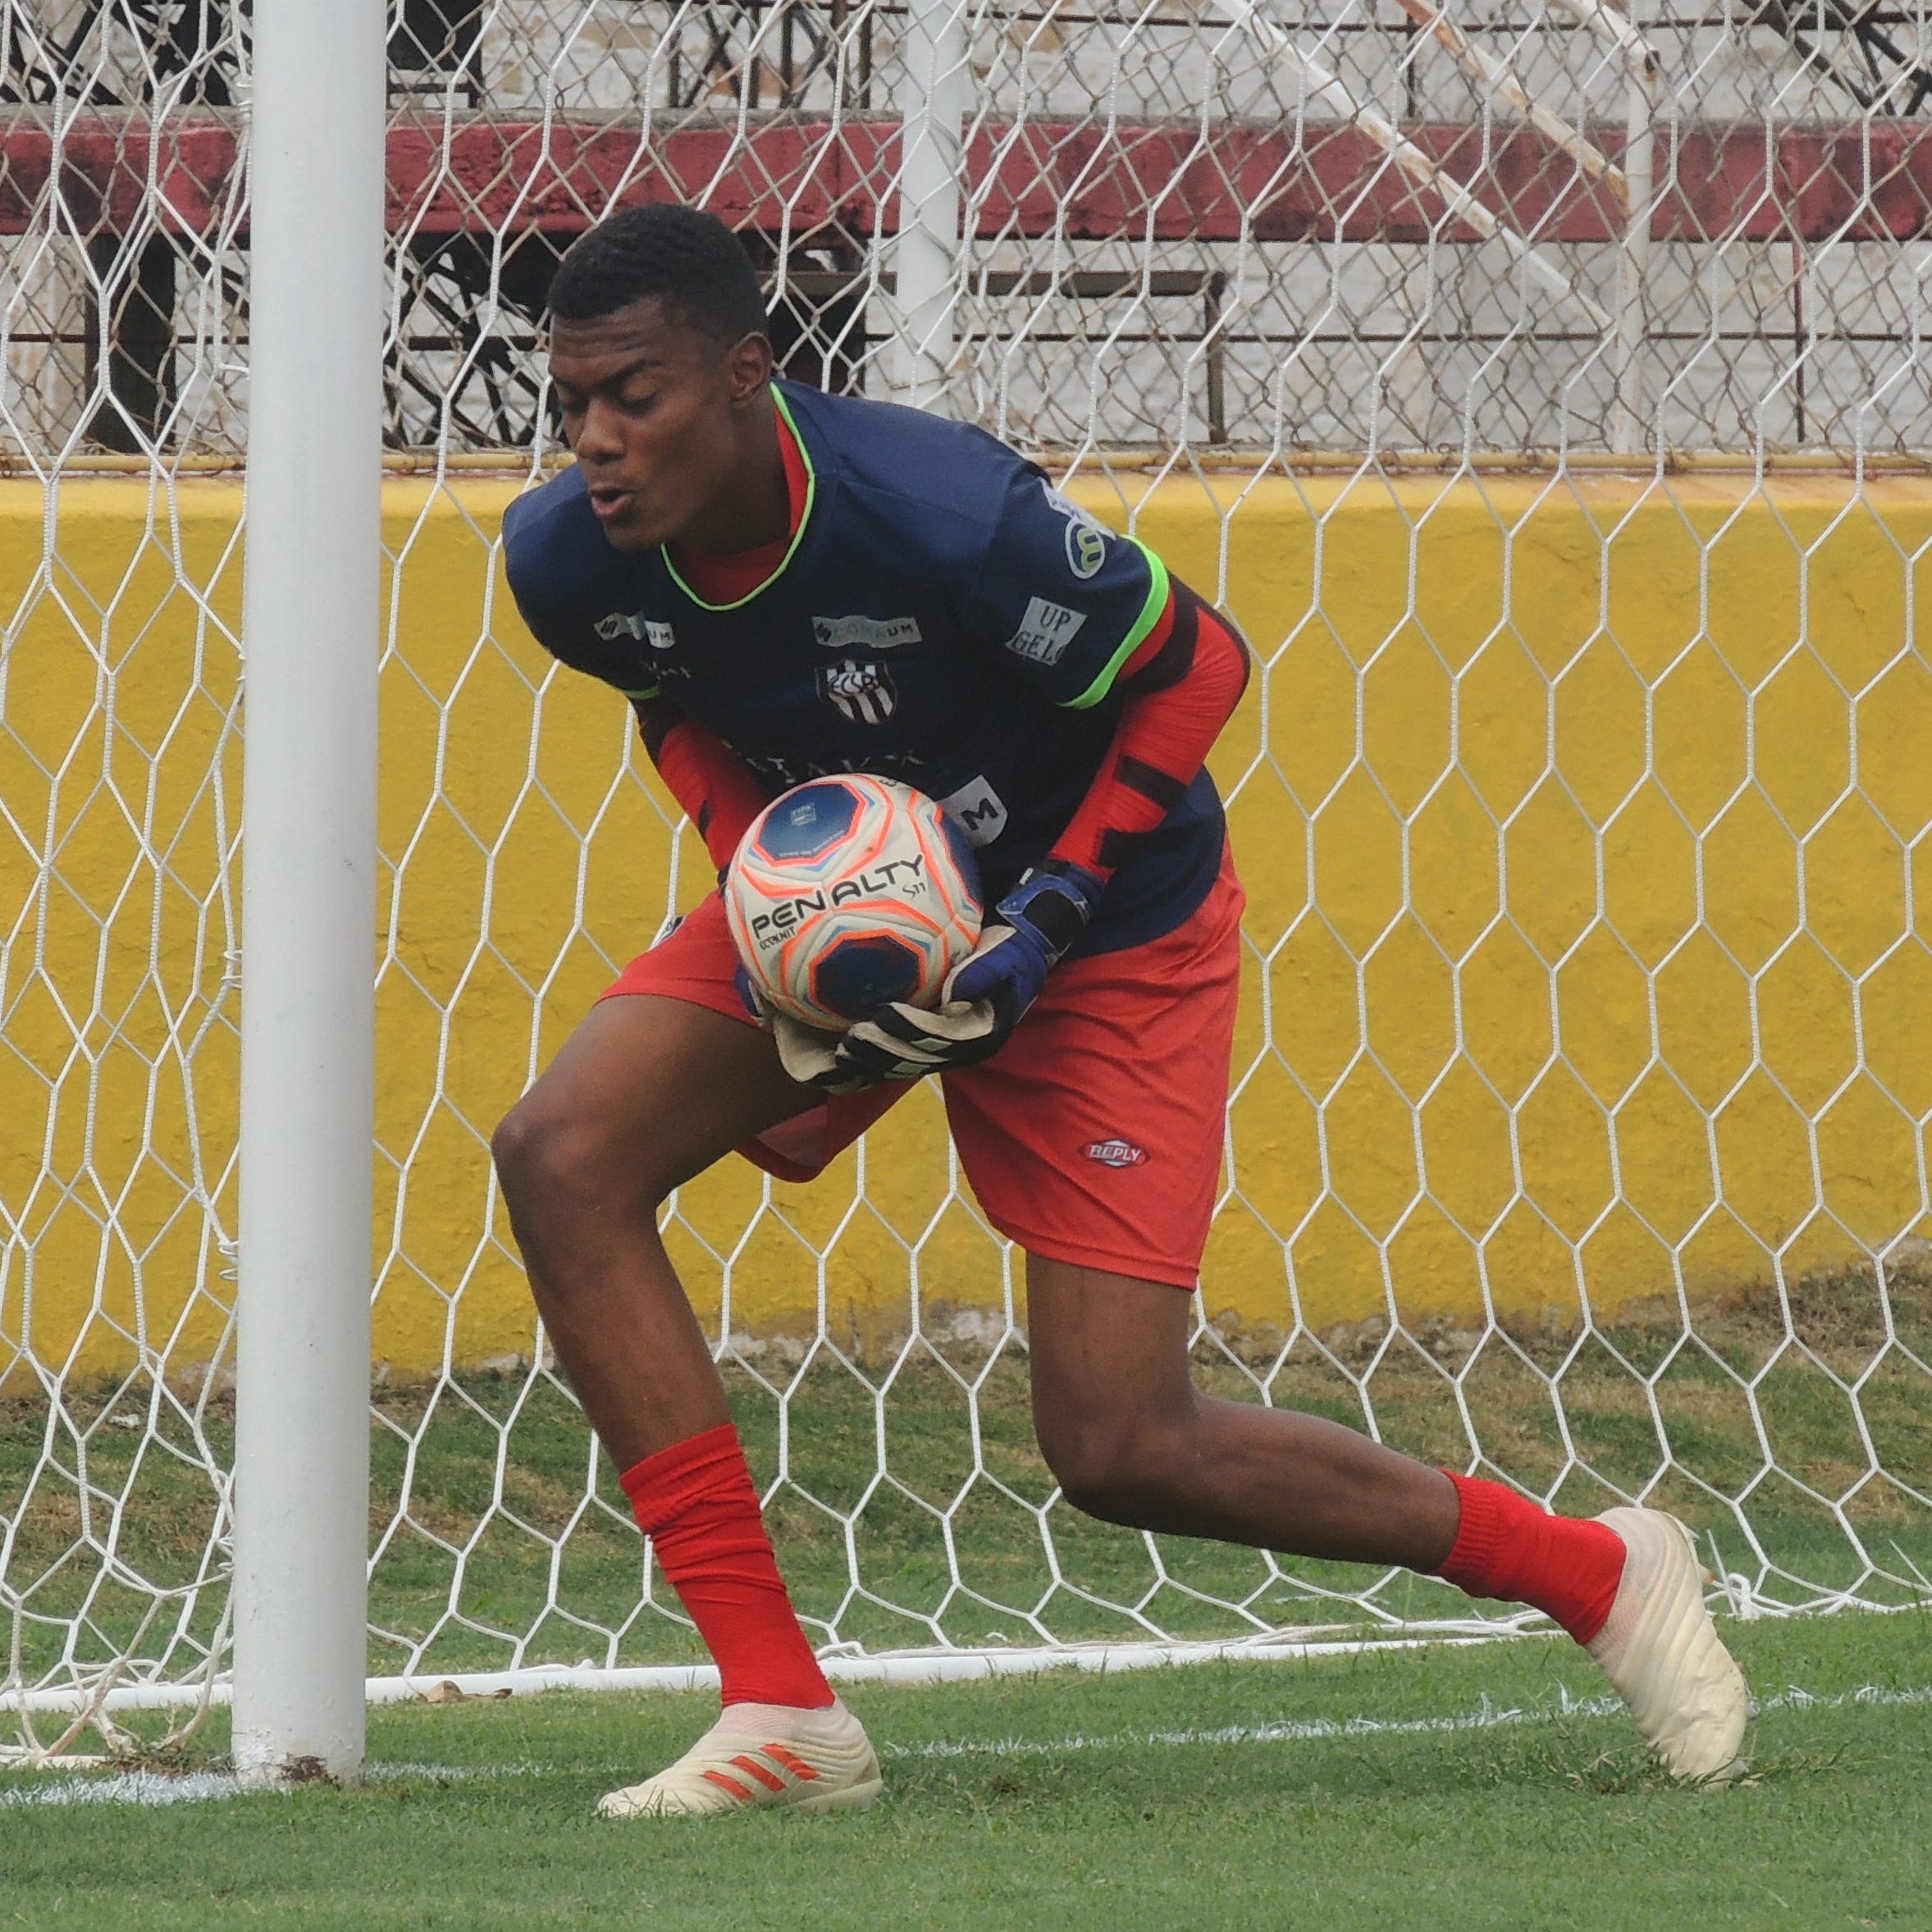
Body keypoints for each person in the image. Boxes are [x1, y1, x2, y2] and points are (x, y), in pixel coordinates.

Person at [494, 203, 1751, 1818]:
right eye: (572, 402)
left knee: (1118, 1443)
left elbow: (1198, 662)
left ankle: (1591, 1568)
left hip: (1104, 925)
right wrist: (759, 871)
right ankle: (781, 1708)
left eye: (635, 396)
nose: (595, 440)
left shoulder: (942, 513)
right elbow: (668, 695)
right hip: (859, 904)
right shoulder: (563, 561)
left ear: (745, 375)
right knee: (561, 1154)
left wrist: (1046, 915)